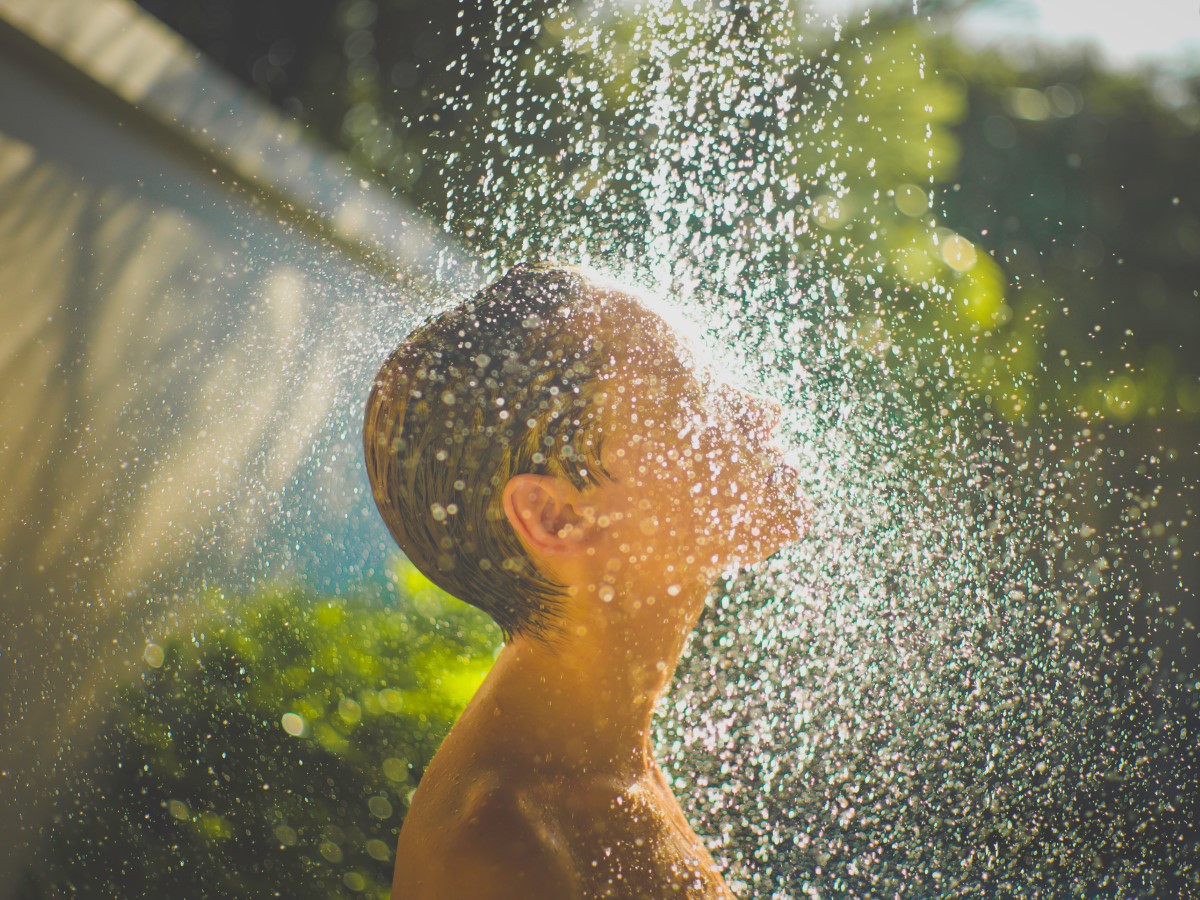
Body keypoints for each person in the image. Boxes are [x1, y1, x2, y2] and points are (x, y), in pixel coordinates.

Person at [363, 263, 808, 898]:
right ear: (556, 517)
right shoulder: (500, 854)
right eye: (692, 400)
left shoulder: (599, 762)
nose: (763, 413)